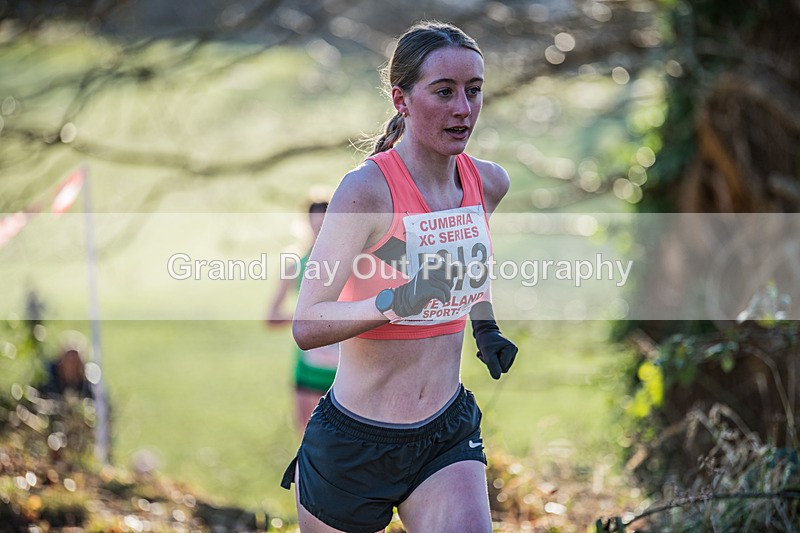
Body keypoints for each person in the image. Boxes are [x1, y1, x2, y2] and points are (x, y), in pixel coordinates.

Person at [281, 21, 518, 533]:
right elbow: (306, 323)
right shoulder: (364, 193)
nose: (463, 108)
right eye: (444, 91)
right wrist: (393, 302)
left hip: (445, 434)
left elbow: (465, 261)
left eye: (474, 92)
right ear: (402, 99)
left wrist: (485, 326)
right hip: (354, 445)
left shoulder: (487, 183)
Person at [267, 200, 338, 433]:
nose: (318, 230)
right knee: (306, 440)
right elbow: (271, 317)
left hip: (344, 372)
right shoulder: (296, 264)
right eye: (314, 224)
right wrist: (306, 315)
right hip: (308, 368)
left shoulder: (351, 261)